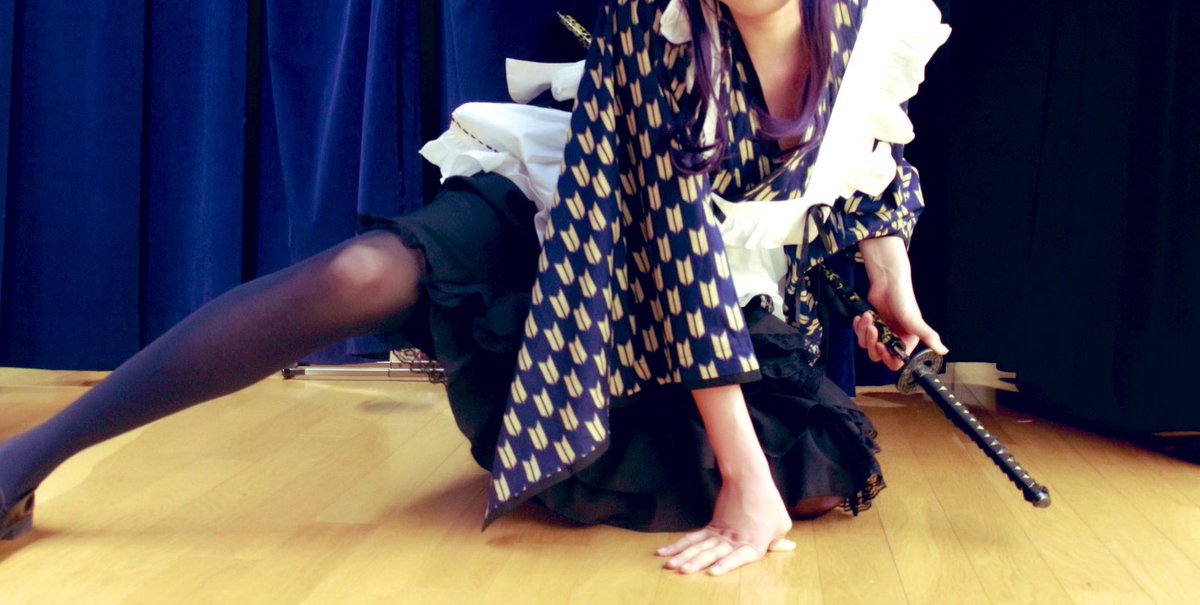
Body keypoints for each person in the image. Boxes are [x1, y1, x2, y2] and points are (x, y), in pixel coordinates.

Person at [0, 0, 949, 576]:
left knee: (811, 468)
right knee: (362, 271)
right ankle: (25, 458)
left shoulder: (878, 24)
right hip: (581, 213)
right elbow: (671, 250)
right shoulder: (650, 24)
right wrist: (739, 477)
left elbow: (869, 166)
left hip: (714, 287)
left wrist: (889, 273)